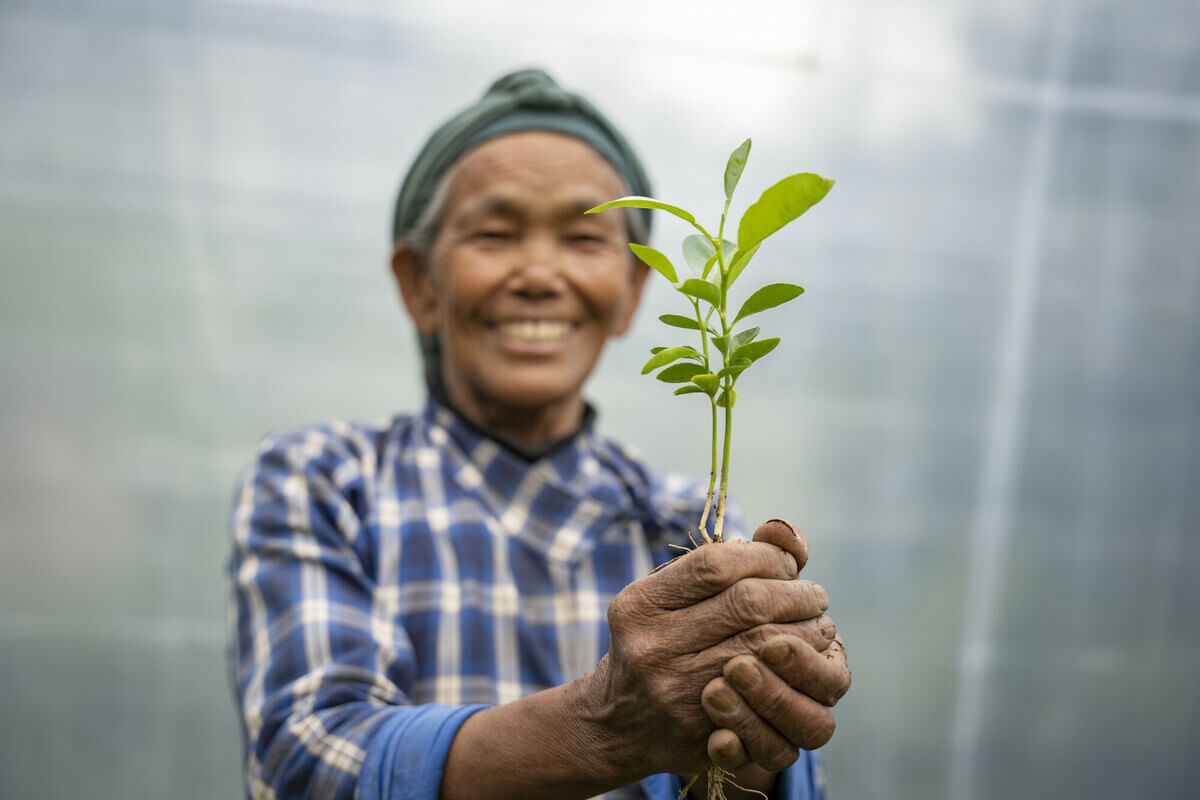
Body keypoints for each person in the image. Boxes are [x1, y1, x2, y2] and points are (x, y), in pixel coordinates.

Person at [227, 68, 850, 800]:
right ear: (419, 283)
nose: (539, 273)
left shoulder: (688, 522)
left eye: (583, 239)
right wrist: (606, 726)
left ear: (632, 291)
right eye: (494, 234)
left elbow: (735, 770)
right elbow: (312, 758)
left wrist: (755, 727)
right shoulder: (326, 479)